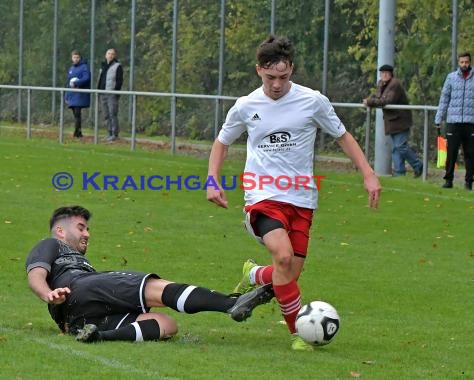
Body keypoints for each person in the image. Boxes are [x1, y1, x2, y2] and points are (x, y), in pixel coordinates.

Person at [206, 36, 381, 351]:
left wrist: (368, 174)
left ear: (292, 71)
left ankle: (256, 274)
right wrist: (212, 180)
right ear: (259, 70)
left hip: (302, 199)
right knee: (284, 257)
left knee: (289, 272)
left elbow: (343, 136)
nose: (276, 84)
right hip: (262, 196)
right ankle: (299, 333)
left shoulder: (312, 101)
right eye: (270, 77)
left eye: (283, 77)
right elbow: (222, 142)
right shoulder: (246, 106)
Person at [25, 205, 274, 344]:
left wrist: (54, 296)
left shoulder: (79, 261)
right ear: (59, 230)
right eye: (81, 228)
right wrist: (47, 293)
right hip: (80, 288)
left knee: (167, 325)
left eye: (88, 229)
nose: (87, 234)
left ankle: (98, 336)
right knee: (154, 287)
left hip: (74, 320)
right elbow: (36, 274)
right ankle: (230, 304)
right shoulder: (50, 244)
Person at [363, 64, 423, 177]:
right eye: (382, 73)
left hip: (401, 120)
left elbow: (387, 100)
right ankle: (399, 173)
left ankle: (418, 165)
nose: (384, 75)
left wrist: (370, 102)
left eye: (387, 73)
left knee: (400, 146)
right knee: (396, 148)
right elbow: (377, 97)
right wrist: (369, 100)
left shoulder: (395, 84)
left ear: (391, 74)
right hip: (392, 121)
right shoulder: (381, 84)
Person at [434, 51, 474, 190]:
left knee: (470, 154)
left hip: (470, 122)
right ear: (458, 63)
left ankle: (469, 182)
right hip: (453, 121)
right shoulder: (451, 78)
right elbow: (444, 99)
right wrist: (439, 117)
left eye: (467, 62)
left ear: (470, 62)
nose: (464, 64)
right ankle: (448, 180)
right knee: (451, 153)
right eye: (462, 62)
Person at [97, 48, 123, 142]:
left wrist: (116, 92)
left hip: (112, 94)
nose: (110, 55)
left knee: (113, 113)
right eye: (109, 53)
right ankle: (109, 133)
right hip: (102, 93)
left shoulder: (117, 66)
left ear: (114, 56)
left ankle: (115, 133)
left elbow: (119, 81)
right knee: (106, 114)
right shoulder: (103, 66)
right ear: (105, 55)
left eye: (112, 54)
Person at [64, 50, 91, 139]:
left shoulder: (84, 67)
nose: (76, 59)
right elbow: (68, 82)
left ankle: (77, 132)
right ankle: (78, 131)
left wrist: (77, 83)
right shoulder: (71, 68)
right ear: (72, 58)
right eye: (74, 57)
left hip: (80, 94)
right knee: (75, 113)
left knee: (77, 112)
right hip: (72, 94)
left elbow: (86, 78)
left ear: (80, 58)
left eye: (77, 57)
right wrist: (67, 95)